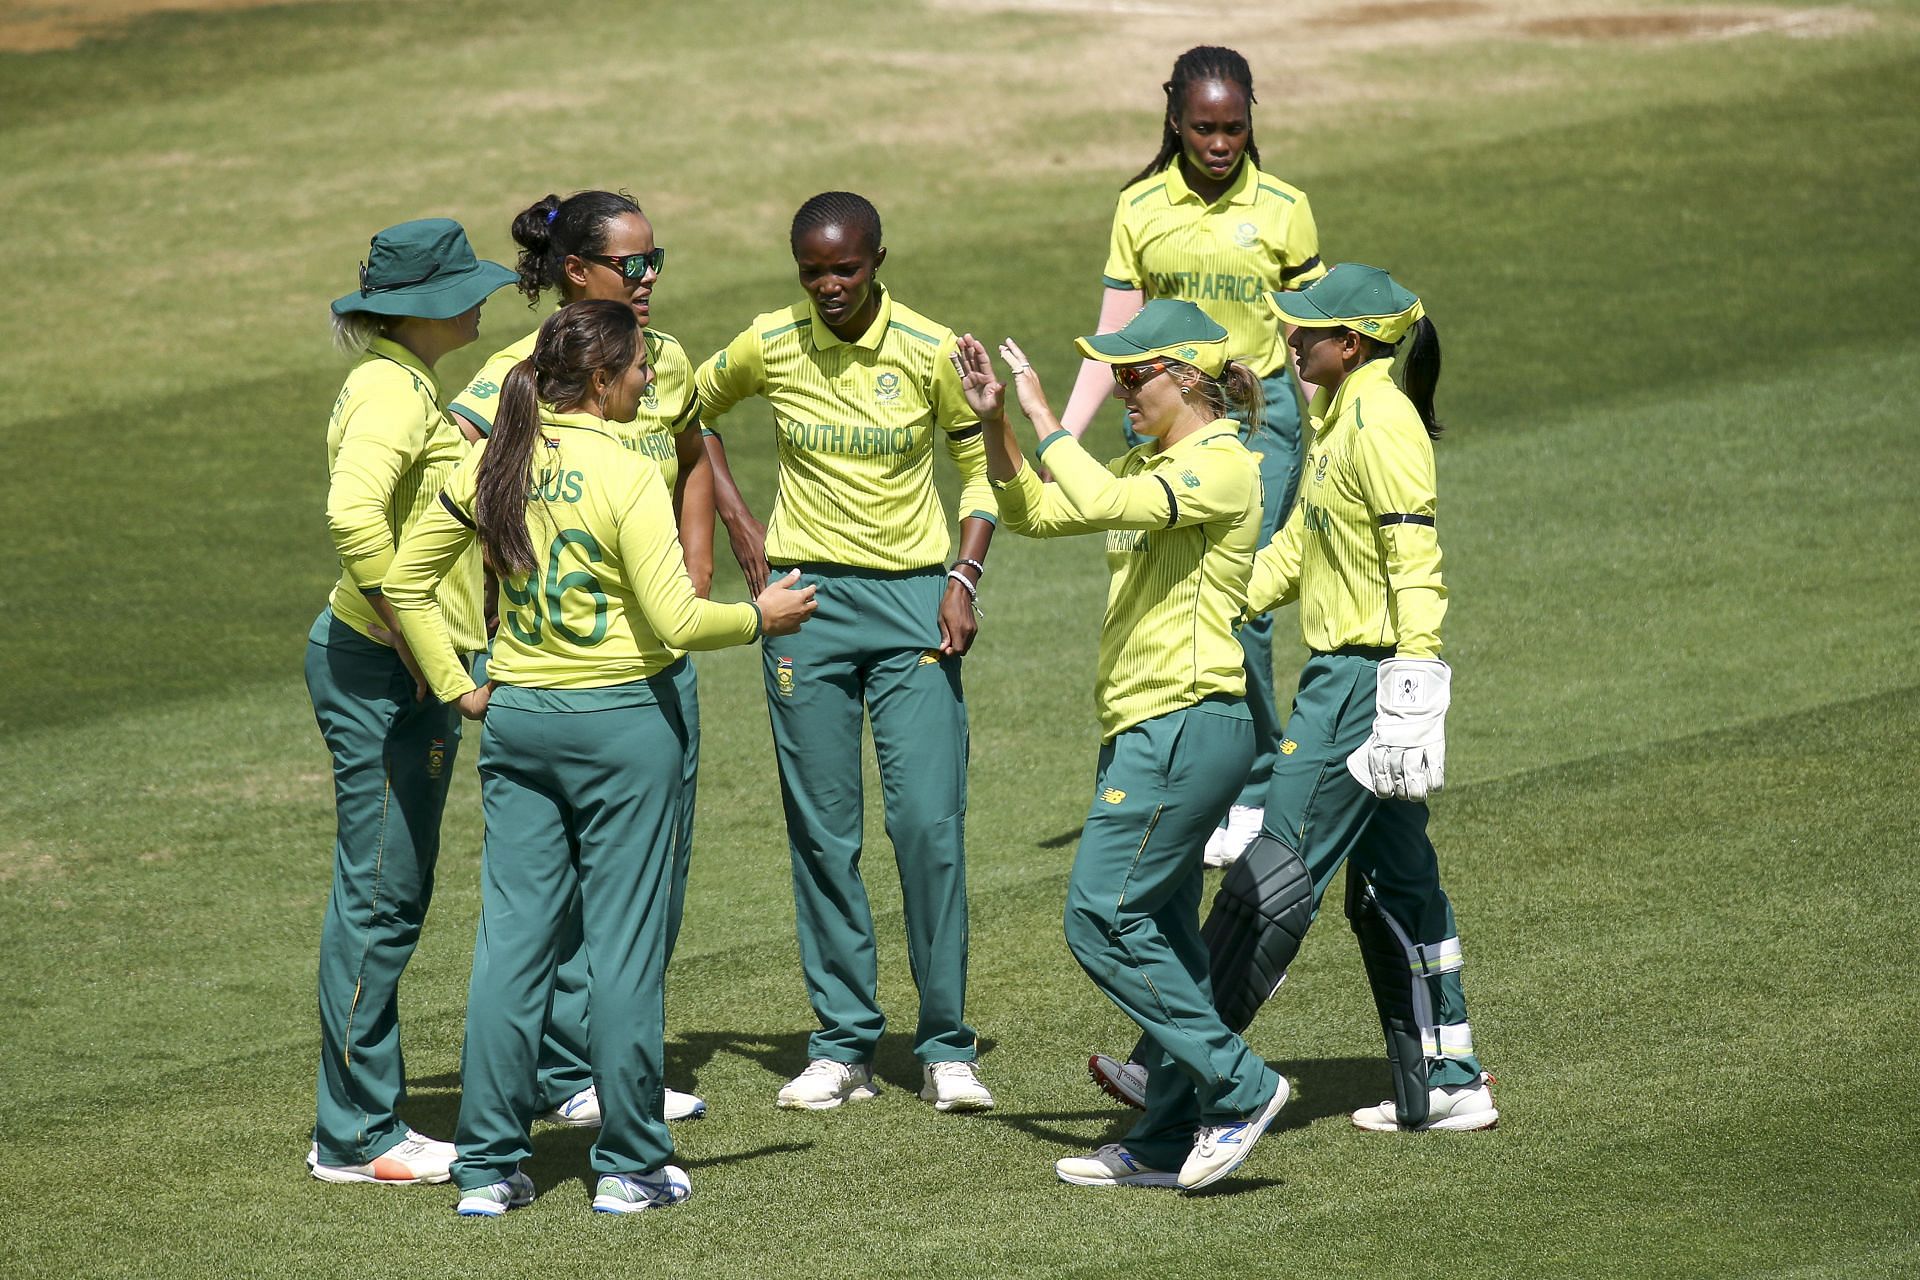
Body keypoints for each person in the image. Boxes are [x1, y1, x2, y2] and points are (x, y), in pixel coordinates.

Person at [383, 299, 816, 1216]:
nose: (651, 378)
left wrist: (460, 684)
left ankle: (488, 1168)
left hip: (522, 725)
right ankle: (628, 1166)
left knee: (511, 945)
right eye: (638, 369)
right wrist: (762, 619)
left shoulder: (495, 460)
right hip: (625, 728)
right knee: (621, 947)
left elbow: (404, 581)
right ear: (600, 379)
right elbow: (678, 623)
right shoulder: (623, 470)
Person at [1091, 265, 1498, 1134]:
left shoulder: (1381, 420)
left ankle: (1179, 1072)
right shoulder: (1338, 415)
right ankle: (1449, 1075)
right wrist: (1217, 597)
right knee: (1392, 883)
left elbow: (1413, 555)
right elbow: (1298, 552)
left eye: (1305, 331)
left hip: (1360, 681)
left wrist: (1416, 681)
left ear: (1351, 345)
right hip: (1355, 671)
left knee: (1274, 874)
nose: (1289, 340)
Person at [951, 299, 1287, 1190]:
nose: (1123, 389)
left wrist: (1042, 412)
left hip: (1185, 721)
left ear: (1185, 379)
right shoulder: (1154, 461)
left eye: (1132, 375)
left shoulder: (1222, 465)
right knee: (1167, 938)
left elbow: (1090, 494)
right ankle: (1168, 1136)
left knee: (1100, 917)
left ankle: (1241, 1087)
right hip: (1145, 724)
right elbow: (1040, 510)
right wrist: (996, 428)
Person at [694, 191, 998, 1113]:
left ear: (877, 261)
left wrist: (965, 575)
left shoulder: (930, 349)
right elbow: (685, 412)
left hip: (912, 603)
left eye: (845, 269)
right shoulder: (769, 341)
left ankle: (946, 1045)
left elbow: (981, 467)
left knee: (928, 830)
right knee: (824, 835)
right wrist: (743, 528)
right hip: (805, 608)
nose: (828, 286)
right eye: (812, 271)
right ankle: (840, 1045)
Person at [449, 190, 712, 1127]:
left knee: (650, 886)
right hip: (575, 681)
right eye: (632, 265)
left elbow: (692, 454)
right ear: (577, 273)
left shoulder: (662, 358)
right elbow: (458, 498)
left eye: (655, 262)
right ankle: (576, 1079)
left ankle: (581, 1080)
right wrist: (472, 647)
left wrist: (701, 561)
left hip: (655, 662)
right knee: (570, 908)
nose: (649, 280)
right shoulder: (513, 375)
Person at [1058, 46, 1328, 868]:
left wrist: (1333, 432)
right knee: (1172, 600)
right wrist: (1062, 437)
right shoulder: (1139, 207)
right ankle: (1213, 776)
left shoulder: (1285, 207)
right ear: (1175, 118)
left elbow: (1305, 336)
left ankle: (1247, 792)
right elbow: (1114, 340)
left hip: (1260, 417)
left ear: (1253, 122)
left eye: (1235, 128)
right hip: (1167, 420)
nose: (1220, 143)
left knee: (1242, 603)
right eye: (1204, 128)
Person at [304, 218, 516, 1186]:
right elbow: (354, 512)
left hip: (406, 666)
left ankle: (361, 1118)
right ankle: (354, 1134)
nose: (483, 298)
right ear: (425, 305)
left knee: (394, 887)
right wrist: (404, 619)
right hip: (384, 671)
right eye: (466, 286)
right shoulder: (390, 391)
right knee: (382, 890)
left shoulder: (401, 382)